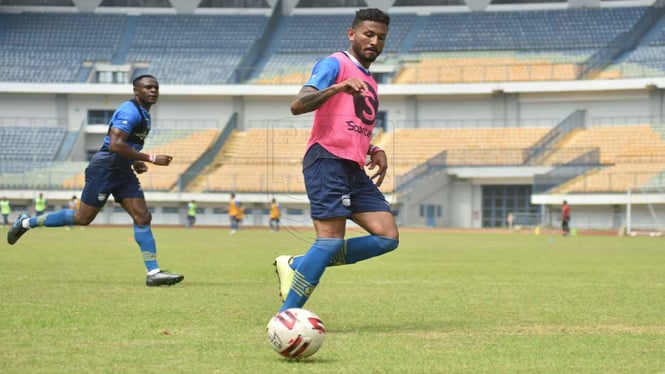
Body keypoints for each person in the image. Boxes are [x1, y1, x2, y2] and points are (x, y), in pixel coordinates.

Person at [273, 8, 399, 312]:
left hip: (352, 166)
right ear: (352, 34)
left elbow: (352, 124)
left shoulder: (371, 80)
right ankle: (286, 317)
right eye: (368, 34)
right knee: (329, 240)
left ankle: (299, 264)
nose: (374, 41)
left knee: (387, 236)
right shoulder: (335, 64)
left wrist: (373, 148)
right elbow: (298, 104)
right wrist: (337, 87)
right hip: (326, 158)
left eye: (381, 37)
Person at [7, 75, 184, 287]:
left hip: (122, 170)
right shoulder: (129, 111)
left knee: (142, 216)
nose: (153, 91)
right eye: (147, 87)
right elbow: (115, 145)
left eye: (155, 87)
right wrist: (150, 158)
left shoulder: (144, 113)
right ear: (136, 91)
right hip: (105, 168)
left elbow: (125, 145)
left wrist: (134, 160)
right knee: (83, 218)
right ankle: (26, 223)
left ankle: (153, 272)